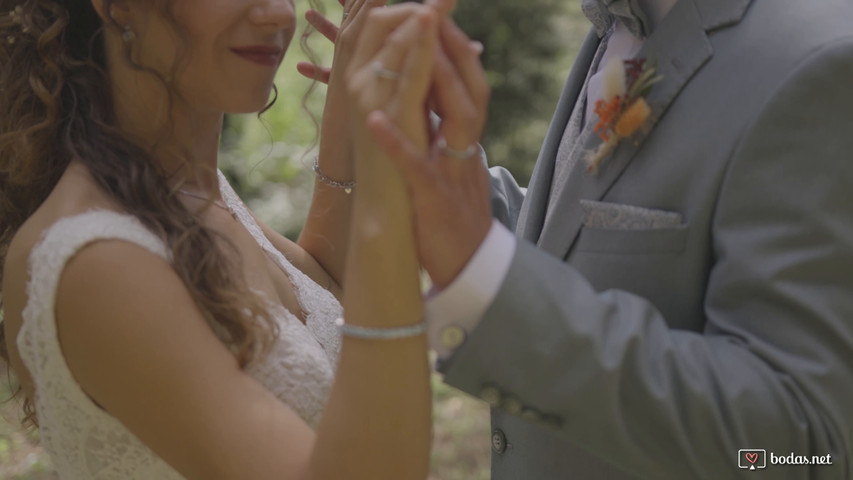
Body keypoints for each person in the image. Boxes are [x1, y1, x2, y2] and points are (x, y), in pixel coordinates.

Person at [352, 0, 853, 478]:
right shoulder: (622, 22)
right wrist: (430, 160)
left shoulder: (819, 60)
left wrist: (487, 284)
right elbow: (576, 241)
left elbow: (800, 450)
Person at [0, 0, 467, 478]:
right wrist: (390, 187)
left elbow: (326, 291)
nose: (277, 15)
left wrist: (353, 109)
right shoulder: (98, 260)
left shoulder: (187, 189)